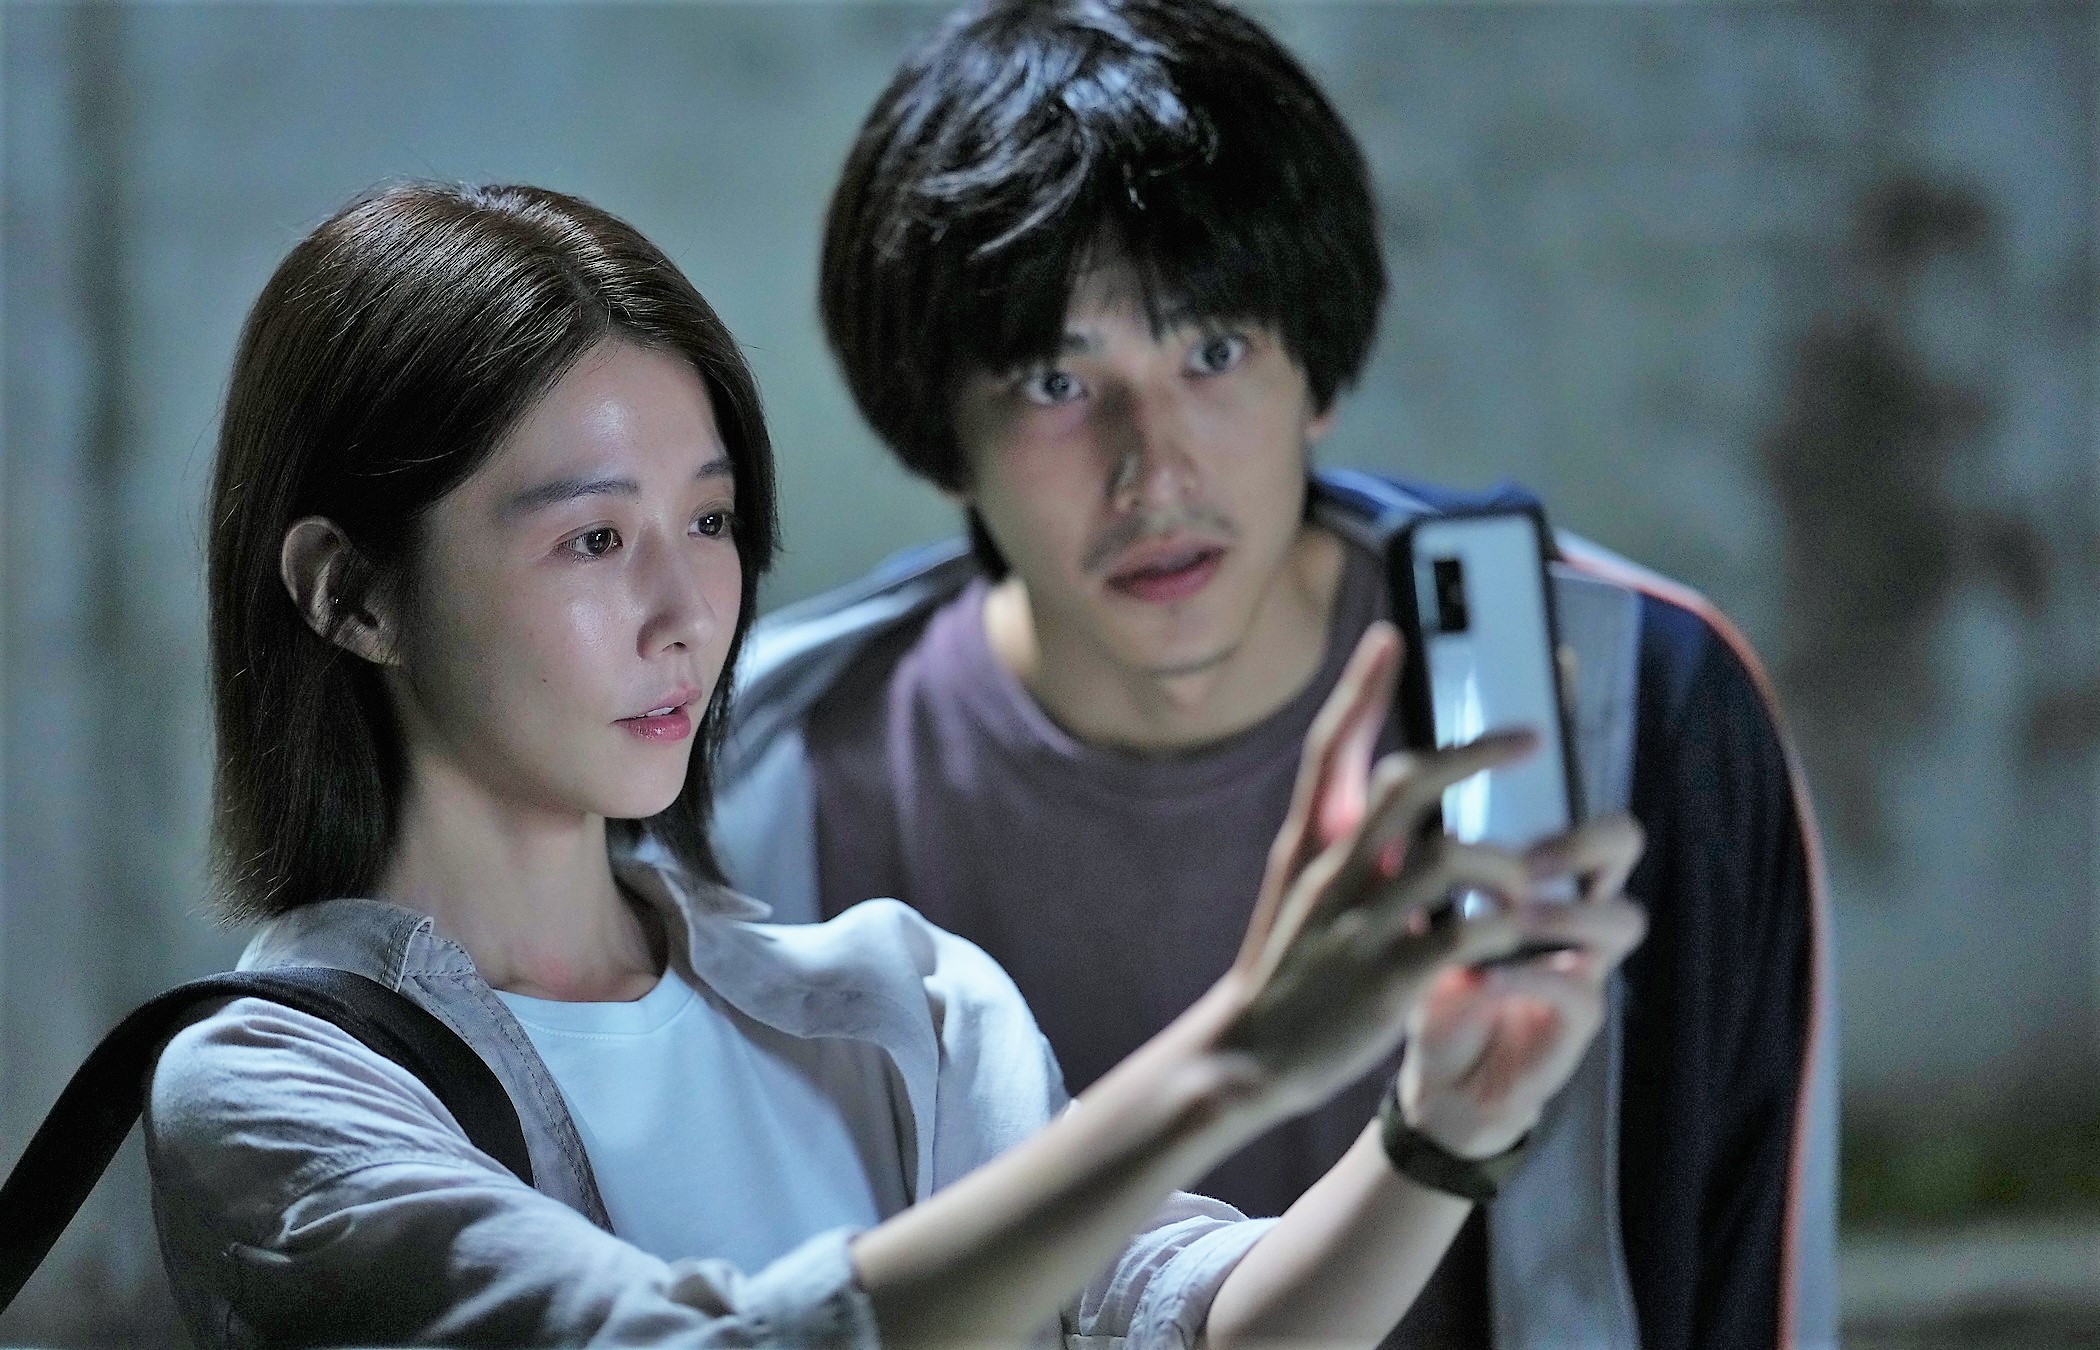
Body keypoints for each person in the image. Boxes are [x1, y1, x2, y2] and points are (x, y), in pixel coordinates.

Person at [147, 179, 1645, 1348]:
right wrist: (1235, 1056)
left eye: (711, 521)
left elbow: (1178, 1317)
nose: (687, 612)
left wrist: (1441, 1133)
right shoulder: (274, 1091)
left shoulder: (896, 1003)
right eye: (593, 538)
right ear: (350, 593)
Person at [709, 1, 1838, 1347]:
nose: (1155, 473)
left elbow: (1741, 1271)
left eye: (1215, 352)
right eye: (1056, 383)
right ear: (940, 427)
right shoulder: (762, 764)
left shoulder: (1630, 696)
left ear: (1317, 370)